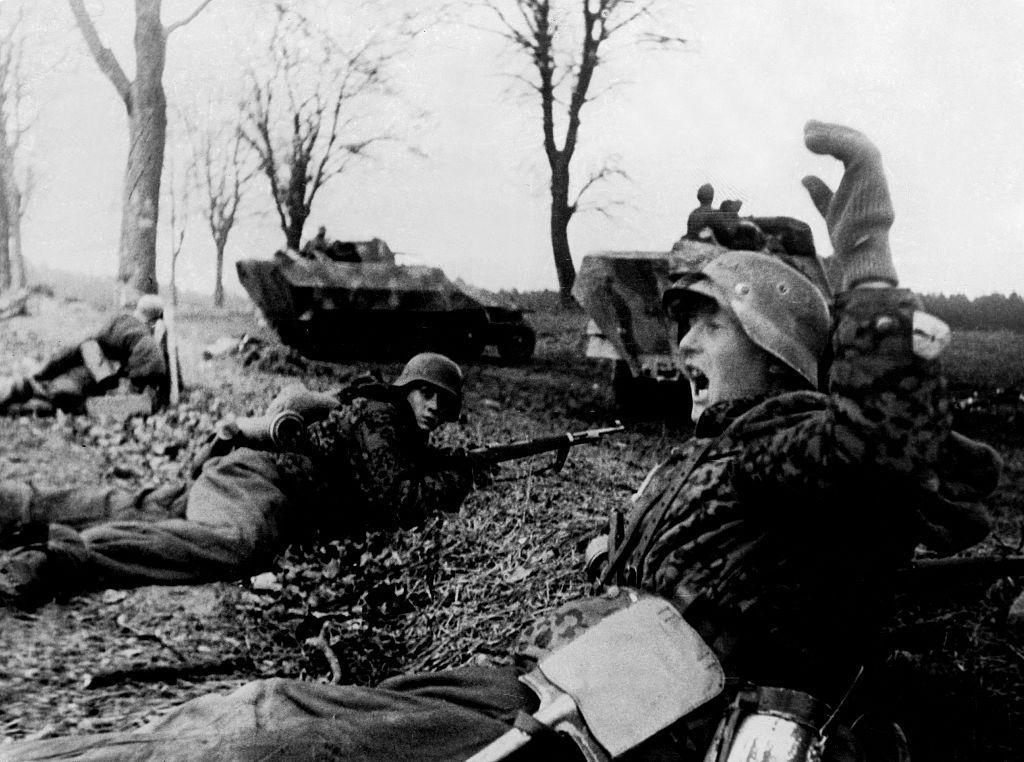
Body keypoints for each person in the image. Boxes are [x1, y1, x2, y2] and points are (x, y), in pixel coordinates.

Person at [1, 122, 1001, 761]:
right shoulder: (737, 444)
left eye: (707, 323)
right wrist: (618, 548)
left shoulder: (796, 439)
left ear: (777, 349)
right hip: (553, 674)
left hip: (593, 720)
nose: (681, 342)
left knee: (258, 731)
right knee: (265, 711)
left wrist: (867, 262)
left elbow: (880, 444)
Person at [0, 352, 481, 608]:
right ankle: (58, 556)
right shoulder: (382, 417)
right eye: (425, 394)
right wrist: (460, 479)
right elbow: (399, 500)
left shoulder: (388, 423)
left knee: (143, 506)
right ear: (405, 391)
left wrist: (453, 464)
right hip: (261, 485)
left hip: (241, 472)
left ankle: (17, 505)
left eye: (444, 401)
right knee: (234, 543)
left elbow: (401, 470)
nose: (434, 408)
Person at [0, 294, 169, 415]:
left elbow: (73, 350)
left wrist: (41, 373)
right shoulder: (144, 339)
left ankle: (25, 392)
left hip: (76, 383)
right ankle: (29, 397)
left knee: (45, 394)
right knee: (133, 405)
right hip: (88, 391)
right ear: (155, 320)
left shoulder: (117, 324)